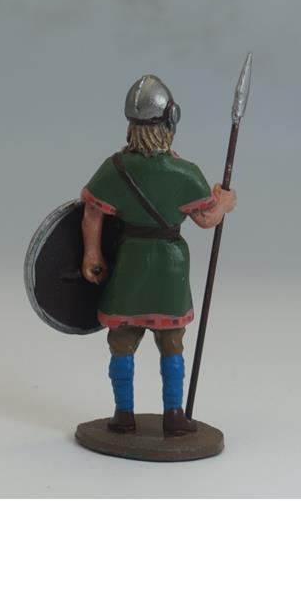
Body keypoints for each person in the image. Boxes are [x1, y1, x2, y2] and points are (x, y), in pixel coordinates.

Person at [79, 75, 237, 436]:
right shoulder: (184, 173)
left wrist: (92, 254)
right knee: (171, 342)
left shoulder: (115, 168)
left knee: (122, 341)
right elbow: (206, 219)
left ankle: (123, 415)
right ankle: (173, 415)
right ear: (170, 123)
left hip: (130, 263)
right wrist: (226, 202)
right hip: (168, 266)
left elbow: (92, 212)